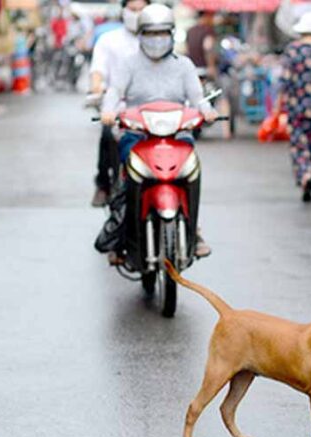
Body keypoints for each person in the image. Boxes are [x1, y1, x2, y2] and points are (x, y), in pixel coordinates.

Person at [96, 4, 217, 261]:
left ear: (172, 34)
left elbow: (197, 98)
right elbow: (114, 92)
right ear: (140, 34)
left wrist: (206, 111)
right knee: (127, 174)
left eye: (162, 33)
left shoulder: (183, 65)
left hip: (176, 134)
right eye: (151, 33)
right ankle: (121, 235)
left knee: (191, 170)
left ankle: (194, 230)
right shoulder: (128, 64)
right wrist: (108, 111)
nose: (156, 39)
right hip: (139, 134)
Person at [87, 0, 148, 207]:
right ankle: (103, 184)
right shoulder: (108, 40)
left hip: (153, 110)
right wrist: (98, 89)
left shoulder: (158, 40)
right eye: (133, 9)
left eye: (142, 9)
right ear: (123, 10)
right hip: (118, 107)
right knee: (107, 134)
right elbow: (98, 72)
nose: (137, 14)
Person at [277, 12, 311, 202]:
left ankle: (305, 173)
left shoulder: (292, 50)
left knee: (299, 143)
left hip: (296, 105)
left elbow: (284, 80)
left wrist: (279, 104)